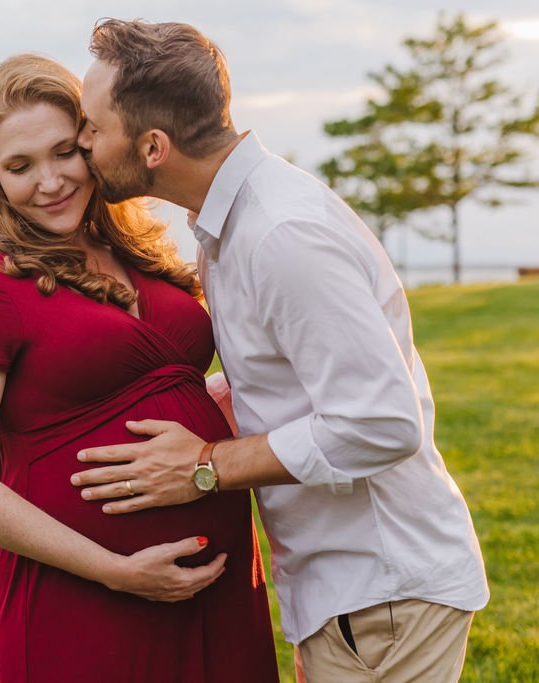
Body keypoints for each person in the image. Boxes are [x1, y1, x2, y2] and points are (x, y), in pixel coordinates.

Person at [72, 19, 489, 682]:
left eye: (93, 124)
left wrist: (206, 465)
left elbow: (381, 422)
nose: (81, 140)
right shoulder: (230, 226)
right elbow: (289, 381)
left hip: (383, 594)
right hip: (348, 599)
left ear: (153, 145)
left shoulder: (279, 234)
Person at [0, 53, 279, 682]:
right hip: (85, 596)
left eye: (64, 151)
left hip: (218, 585)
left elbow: (175, 385)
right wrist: (114, 570)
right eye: (20, 166)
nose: (51, 180)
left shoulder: (141, 254)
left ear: (93, 142)